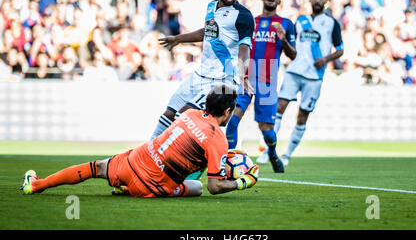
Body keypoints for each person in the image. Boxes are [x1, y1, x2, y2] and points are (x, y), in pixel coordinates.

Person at [21, 85, 259, 198]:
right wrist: (242, 182)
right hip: (153, 188)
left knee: (97, 167)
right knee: (196, 188)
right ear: (227, 111)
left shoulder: (190, 114)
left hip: (133, 162)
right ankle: (127, 189)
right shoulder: (218, 140)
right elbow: (214, 187)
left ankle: (37, 185)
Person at [150, 0, 255, 142]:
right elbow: (207, 32)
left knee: (183, 117)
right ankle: (149, 149)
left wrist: (243, 75)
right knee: (169, 114)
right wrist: (178, 39)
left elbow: (244, 47)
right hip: (200, 74)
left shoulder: (244, 16)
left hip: (220, 79)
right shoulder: (211, 6)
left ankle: (173, 160)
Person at [225, 0, 297, 173]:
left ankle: (272, 152)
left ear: (280, 0)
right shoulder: (251, 21)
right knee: (232, 120)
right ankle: (229, 161)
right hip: (246, 79)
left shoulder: (286, 24)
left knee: (266, 128)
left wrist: (283, 39)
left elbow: (293, 55)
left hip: (267, 79)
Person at [275, 0, 344, 166]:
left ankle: (287, 154)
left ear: (326, 0)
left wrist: (326, 59)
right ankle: (270, 150)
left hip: (315, 75)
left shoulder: (331, 23)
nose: (318, 1)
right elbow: (293, 45)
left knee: (302, 115)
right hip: (295, 70)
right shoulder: (301, 20)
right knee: (279, 107)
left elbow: (340, 50)